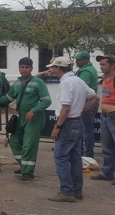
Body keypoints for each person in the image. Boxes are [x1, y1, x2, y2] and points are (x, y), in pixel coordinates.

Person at [0, 57, 52, 182]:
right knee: (14, 141)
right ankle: (24, 166)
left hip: (34, 119)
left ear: (31, 69)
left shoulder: (38, 82)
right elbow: (8, 98)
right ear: (19, 68)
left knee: (29, 145)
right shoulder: (17, 83)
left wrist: (33, 111)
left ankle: (28, 174)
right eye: (22, 67)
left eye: (27, 67)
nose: (24, 70)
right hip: (20, 118)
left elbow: (47, 101)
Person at [46, 56, 99, 202]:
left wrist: (57, 125)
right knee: (75, 157)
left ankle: (66, 191)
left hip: (68, 123)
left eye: (53, 67)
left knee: (60, 157)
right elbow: (95, 97)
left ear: (58, 68)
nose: (51, 70)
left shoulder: (66, 83)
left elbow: (66, 107)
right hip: (77, 121)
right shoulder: (78, 81)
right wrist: (83, 109)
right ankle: (76, 190)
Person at [91, 54, 115, 183]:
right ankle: (107, 173)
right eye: (100, 64)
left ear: (113, 65)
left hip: (113, 116)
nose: (101, 67)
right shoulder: (105, 78)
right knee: (107, 147)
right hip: (105, 117)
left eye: (104, 64)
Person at [74, 51, 99, 158]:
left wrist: (80, 106)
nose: (76, 62)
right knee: (87, 130)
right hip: (89, 103)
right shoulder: (88, 69)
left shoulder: (86, 71)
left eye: (78, 60)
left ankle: (87, 155)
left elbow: (83, 89)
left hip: (87, 104)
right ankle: (87, 154)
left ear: (86, 60)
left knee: (86, 131)